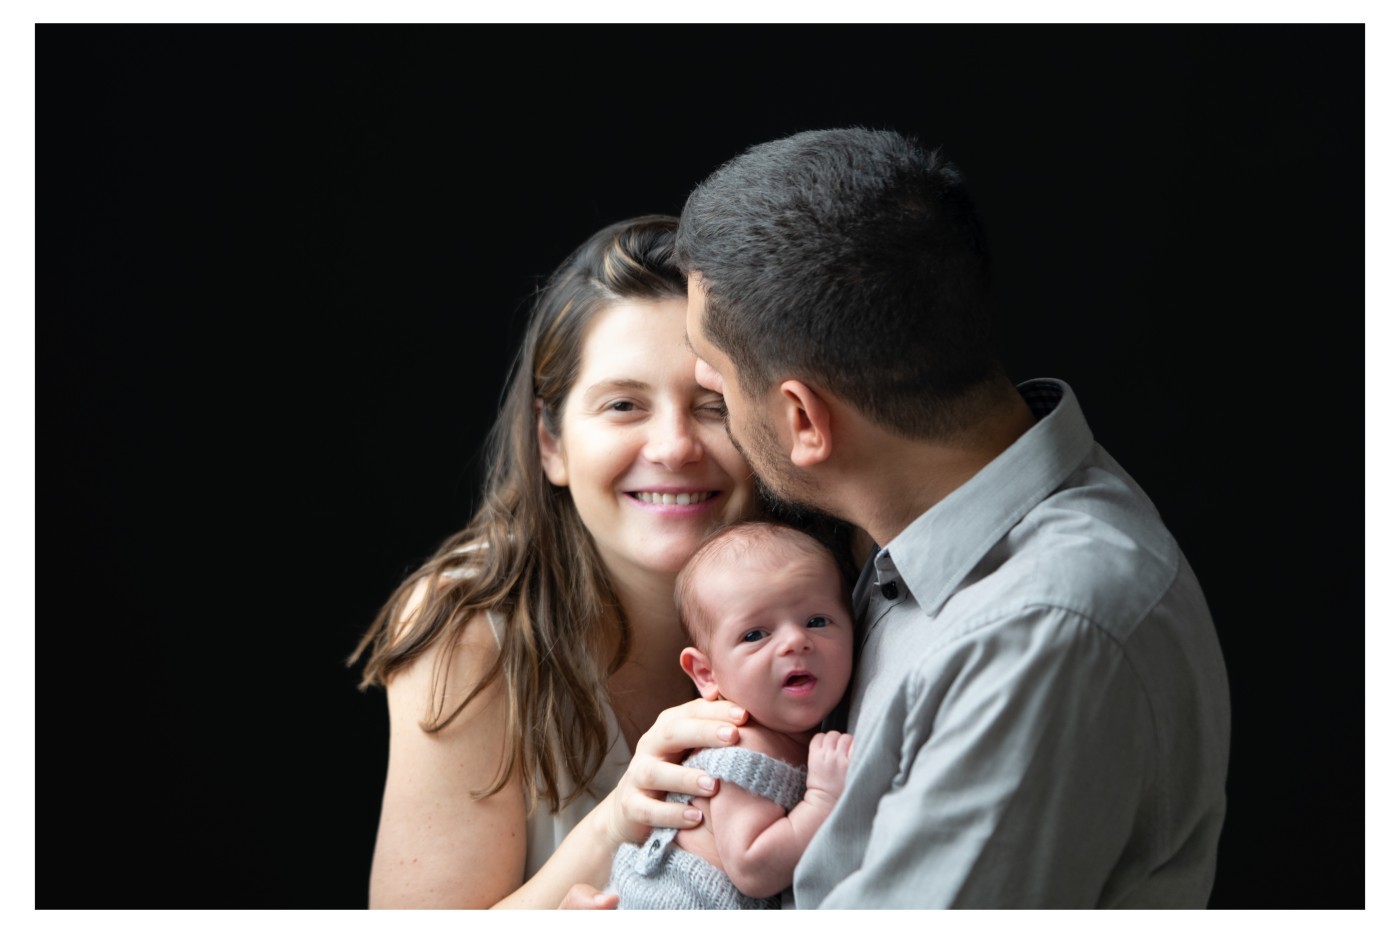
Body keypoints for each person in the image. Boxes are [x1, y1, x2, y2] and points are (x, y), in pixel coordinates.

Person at [674, 127, 1232, 908]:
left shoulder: (1038, 632)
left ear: (803, 419)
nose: (705, 381)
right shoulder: (914, 539)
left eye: (716, 368)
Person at [349, 214, 764, 908]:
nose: (674, 446)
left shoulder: (836, 596)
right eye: (623, 404)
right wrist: (617, 822)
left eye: (714, 405)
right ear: (552, 443)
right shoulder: (471, 628)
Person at [605, 521, 855, 909]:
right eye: (755, 635)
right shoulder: (741, 748)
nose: (795, 641)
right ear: (707, 674)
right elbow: (753, 868)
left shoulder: (791, 732)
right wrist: (823, 800)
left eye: (817, 621)